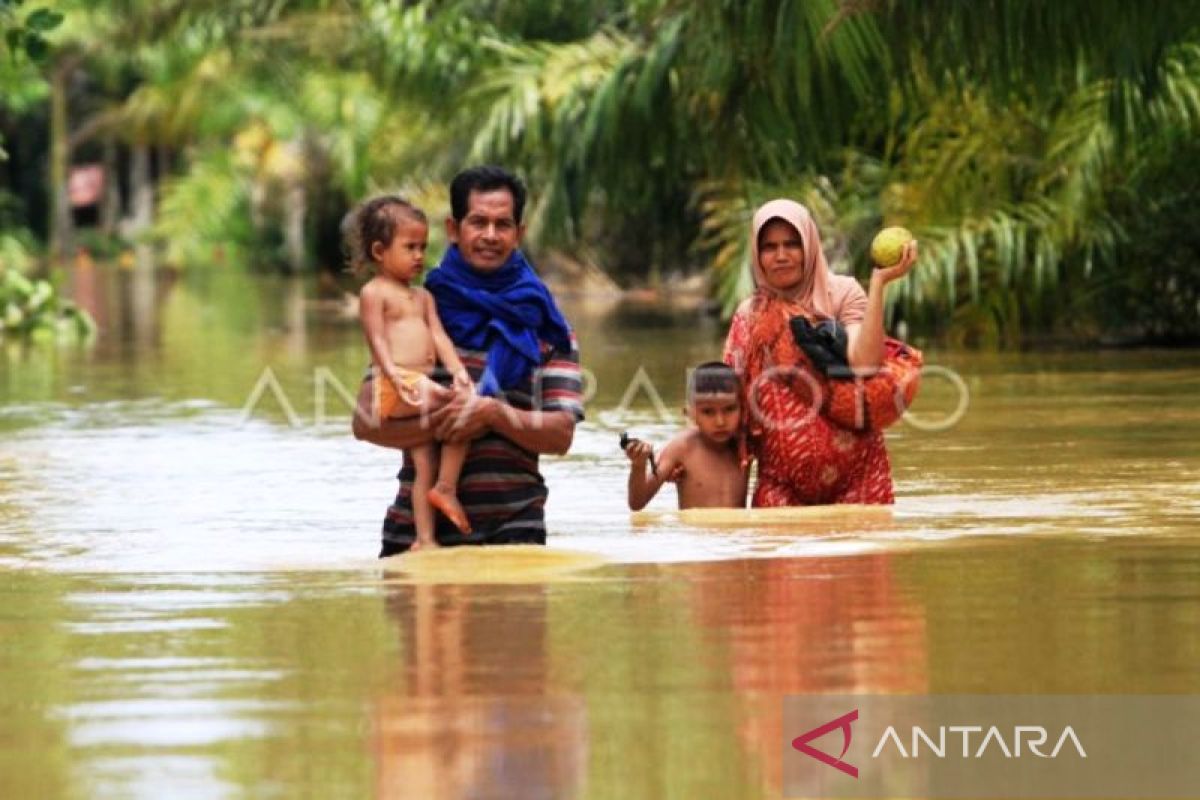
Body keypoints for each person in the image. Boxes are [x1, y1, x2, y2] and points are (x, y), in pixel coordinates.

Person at [352, 166, 584, 556]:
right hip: (415, 540)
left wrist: (492, 414)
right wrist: (446, 420)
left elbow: (560, 435)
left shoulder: (546, 323)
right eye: (478, 222)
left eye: (502, 224)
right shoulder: (417, 307)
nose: (490, 235)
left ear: (519, 234)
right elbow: (365, 422)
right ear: (454, 229)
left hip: (514, 535)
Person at [723, 199, 917, 506]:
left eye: (791, 244)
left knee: (865, 555)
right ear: (757, 255)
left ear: (809, 245)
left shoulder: (842, 294)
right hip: (780, 485)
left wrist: (879, 284)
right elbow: (735, 419)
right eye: (770, 247)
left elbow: (865, 363)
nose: (781, 256)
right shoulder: (750, 317)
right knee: (777, 555)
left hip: (860, 478)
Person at [349, 196, 474, 550]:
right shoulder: (374, 293)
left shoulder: (422, 297)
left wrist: (458, 370)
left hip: (420, 383)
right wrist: (394, 378)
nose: (419, 255)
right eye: (409, 247)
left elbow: (439, 336)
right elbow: (377, 342)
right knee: (464, 407)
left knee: (425, 464)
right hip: (397, 384)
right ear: (379, 251)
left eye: (423, 247)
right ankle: (447, 490)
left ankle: (425, 538)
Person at [624, 362, 749, 511]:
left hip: (739, 534)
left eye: (729, 409)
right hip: (695, 533)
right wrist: (638, 466)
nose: (720, 421)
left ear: (743, 409)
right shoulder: (682, 448)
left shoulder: (746, 445)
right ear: (689, 414)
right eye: (708, 412)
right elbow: (637, 503)